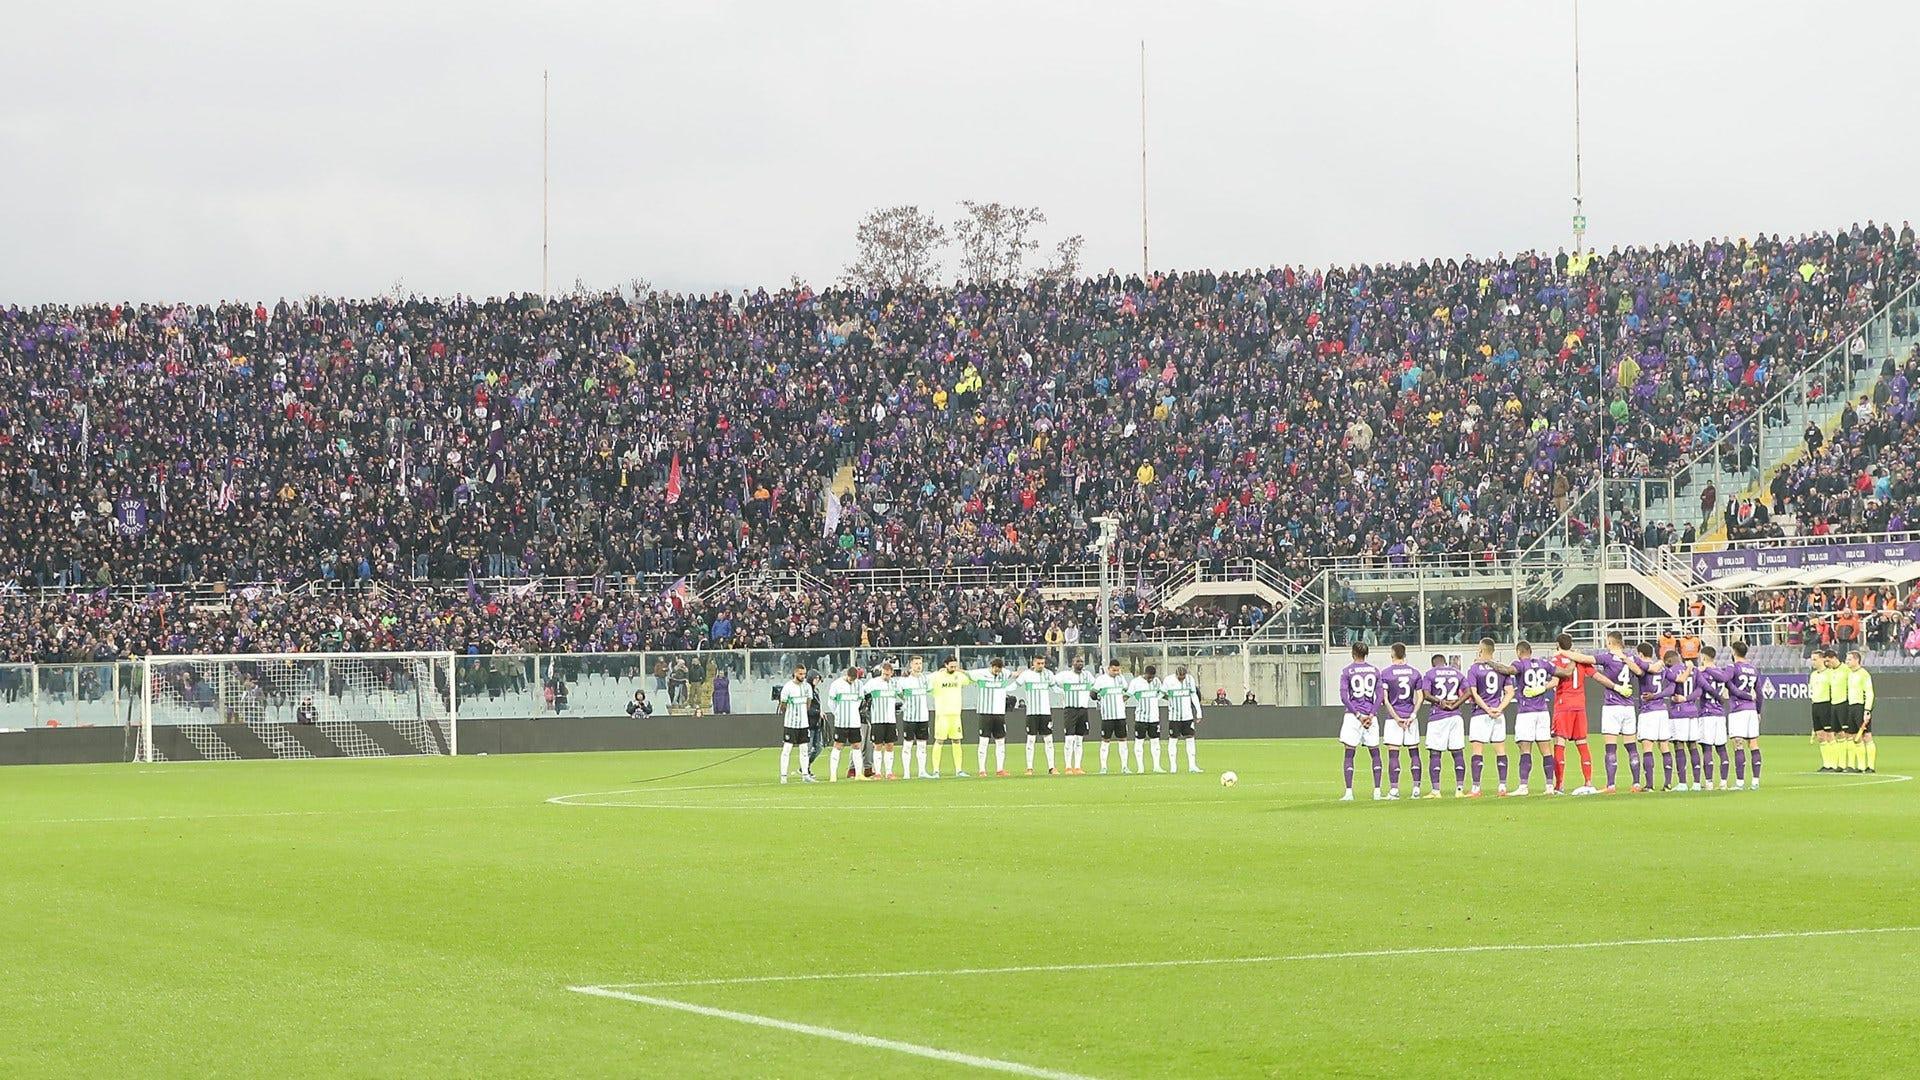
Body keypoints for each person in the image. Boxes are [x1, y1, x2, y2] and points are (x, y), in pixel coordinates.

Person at [1550, 634, 1607, 795]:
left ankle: (1559, 785)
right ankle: (1588, 781)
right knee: (1582, 744)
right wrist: (1615, 687)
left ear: (1557, 644)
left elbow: (1555, 680)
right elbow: (1597, 677)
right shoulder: (1580, 661)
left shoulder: (1556, 660)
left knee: (1559, 744)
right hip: (1580, 706)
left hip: (1563, 705)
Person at [1594, 631, 1643, 793]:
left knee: (1610, 747)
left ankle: (1611, 785)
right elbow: (1641, 671)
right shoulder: (1631, 658)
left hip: (1612, 705)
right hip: (1628, 707)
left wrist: (1566, 652)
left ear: (1610, 642)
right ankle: (1636, 783)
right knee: (1631, 747)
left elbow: (1586, 660)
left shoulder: (1607, 657)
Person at [1509, 641, 1559, 796]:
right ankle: (1550, 786)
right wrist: (1543, 688)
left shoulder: (1519, 664)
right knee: (1546, 750)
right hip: (1543, 711)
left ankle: (1523, 786)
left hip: (1526, 712)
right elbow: (1559, 675)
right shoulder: (1544, 663)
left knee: (1525, 749)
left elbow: (1509, 670)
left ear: (1519, 652)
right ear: (1531, 651)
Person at [1465, 638, 1514, 797]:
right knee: (1500, 750)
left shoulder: (1474, 668)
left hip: (1481, 714)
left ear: (1481, 649)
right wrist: (1499, 708)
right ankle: (1502, 787)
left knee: (1477, 750)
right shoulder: (1501, 668)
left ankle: (1476, 788)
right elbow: (1510, 692)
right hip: (1498, 714)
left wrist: (1486, 708)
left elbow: (1473, 692)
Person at [1377, 643, 1425, 799]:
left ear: (1392, 654)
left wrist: (1397, 718)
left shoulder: (1386, 673)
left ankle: (1394, 791)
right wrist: (1413, 715)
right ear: (1405, 655)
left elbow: (1384, 699)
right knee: (1414, 752)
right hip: (1410, 717)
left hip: (1394, 719)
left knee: (1393, 755)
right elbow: (1420, 697)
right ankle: (1416, 790)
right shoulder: (1415, 673)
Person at [1337, 643, 1383, 802]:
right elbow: (1380, 696)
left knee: (1349, 752)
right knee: (1375, 752)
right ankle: (1377, 791)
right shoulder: (1375, 671)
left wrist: (1358, 715)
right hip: (1371, 716)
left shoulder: (1347, 671)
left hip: (1353, 716)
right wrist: (1371, 714)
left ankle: (1349, 792)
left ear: (1353, 653)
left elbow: (1344, 697)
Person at [1421, 653, 1469, 798]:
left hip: (1438, 716)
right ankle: (1459, 790)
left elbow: (1426, 694)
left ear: (1433, 664)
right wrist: (1455, 705)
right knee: (1458, 752)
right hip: (1455, 716)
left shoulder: (1430, 674)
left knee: (1435, 753)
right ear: (1444, 662)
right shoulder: (1457, 673)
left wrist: (1439, 702)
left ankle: (1436, 791)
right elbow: (1468, 692)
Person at [1663, 650, 1704, 791]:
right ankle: (1697, 783)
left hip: (1679, 712)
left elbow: (1675, 685)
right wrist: (1688, 699)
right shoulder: (1695, 670)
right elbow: (1699, 691)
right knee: (1693, 745)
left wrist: (1681, 698)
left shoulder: (1671, 671)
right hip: (1693, 711)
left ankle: (1682, 783)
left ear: (1668, 661)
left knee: (1678, 745)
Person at [970, 657, 1018, 778]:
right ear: (991, 666)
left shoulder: (1004, 673)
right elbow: (966, 674)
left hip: (999, 713)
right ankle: (982, 769)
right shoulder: (981, 674)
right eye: (996, 669)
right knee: (984, 741)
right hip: (985, 712)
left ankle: (1000, 769)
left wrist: (1027, 672)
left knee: (1001, 741)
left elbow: (1015, 674)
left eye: (999, 669)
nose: (997, 671)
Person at [1725, 639, 1763, 789]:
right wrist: (1758, 710)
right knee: (1753, 744)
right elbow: (1759, 693)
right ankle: (1755, 782)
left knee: (1738, 744)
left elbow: (1728, 684)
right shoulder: (1753, 669)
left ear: (1733, 652)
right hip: (1751, 710)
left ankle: (1740, 782)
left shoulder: (1733, 667)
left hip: (1738, 709)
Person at [928, 656, 974, 778]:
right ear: (945, 665)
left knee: (957, 740)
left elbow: (970, 679)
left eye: (955, 666)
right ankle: (936, 771)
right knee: (939, 741)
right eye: (951, 666)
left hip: (955, 714)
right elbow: (926, 681)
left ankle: (959, 770)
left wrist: (961, 671)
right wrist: (938, 672)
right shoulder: (937, 676)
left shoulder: (958, 676)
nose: (953, 668)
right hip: (942, 714)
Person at [1015, 655, 1059, 776]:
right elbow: (1016, 685)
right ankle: (1029, 768)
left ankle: (1052, 767)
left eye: (1043, 663)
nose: (1041, 666)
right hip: (1032, 712)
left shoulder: (1048, 674)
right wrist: (1003, 689)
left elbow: (1055, 688)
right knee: (1031, 740)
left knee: (1049, 740)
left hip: (1045, 712)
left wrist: (1066, 692)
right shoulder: (1026, 674)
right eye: (1039, 663)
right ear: (1033, 663)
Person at [1632, 643, 1667, 794]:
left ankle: (1650, 785)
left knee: (1647, 747)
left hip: (1648, 710)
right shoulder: (1662, 668)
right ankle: (1668, 784)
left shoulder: (1642, 665)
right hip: (1662, 710)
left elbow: (1643, 670)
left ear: (1640, 654)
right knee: (1664, 747)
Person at [1696, 646, 1733, 790]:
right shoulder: (1721, 672)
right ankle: (1723, 782)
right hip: (1719, 714)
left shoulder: (1702, 674)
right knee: (1722, 748)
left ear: (1703, 657)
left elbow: (1700, 691)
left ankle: (1709, 783)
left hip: (1707, 713)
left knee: (1707, 749)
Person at [1053, 656, 1095, 775]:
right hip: (1070, 709)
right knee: (1069, 738)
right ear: (1072, 663)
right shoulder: (1065, 675)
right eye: (1077, 661)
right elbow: (1052, 682)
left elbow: (1095, 686)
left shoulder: (1087, 676)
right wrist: (1061, 692)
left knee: (1079, 739)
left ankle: (1077, 766)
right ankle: (1068, 766)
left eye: (1081, 661)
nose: (1080, 663)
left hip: (1083, 709)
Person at [862, 660, 902, 781]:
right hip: (877, 719)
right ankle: (878, 772)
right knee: (877, 745)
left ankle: (889, 772)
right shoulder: (873, 683)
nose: (886, 676)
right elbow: (862, 693)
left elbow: (902, 696)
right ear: (881, 672)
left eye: (888, 674)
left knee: (890, 745)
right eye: (884, 674)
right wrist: (865, 705)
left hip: (890, 719)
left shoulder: (894, 684)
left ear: (892, 673)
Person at [826, 666, 867, 782]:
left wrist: (853, 710)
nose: (852, 681)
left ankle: (859, 773)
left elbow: (859, 700)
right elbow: (831, 702)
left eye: (854, 679)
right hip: (841, 721)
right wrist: (837, 713)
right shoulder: (836, 685)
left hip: (854, 721)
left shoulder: (859, 685)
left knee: (857, 745)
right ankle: (833, 775)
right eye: (851, 678)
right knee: (838, 746)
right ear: (847, 675)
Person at [777, 665, 816, 784]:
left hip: (803, 724)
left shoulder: (807, 687)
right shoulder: (788, 687)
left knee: (804, 749)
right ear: (795, 673)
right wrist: (790, 714)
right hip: (790, 723)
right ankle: (783, 776)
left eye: (804, 674)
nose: (803, 676)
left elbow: (809, 703)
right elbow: (783, 705)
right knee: (787, 749)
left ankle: (805, 774)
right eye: (800, 674)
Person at [1092, 660, 1132, 774]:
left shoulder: (1121, 679)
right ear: (1108, 668)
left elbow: (1126, 690)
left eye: (1117, 670)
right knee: (1105, 741)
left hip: (1120, 715)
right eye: (1113, 670)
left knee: (1123, 740)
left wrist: (1124, 699)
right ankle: (1103, 767)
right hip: (1107, 716)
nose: (1116, 672)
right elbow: (1093, 694)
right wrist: (1099, 698)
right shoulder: (1101, 680)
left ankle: (1124, 766)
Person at [895, 656, 932, 779]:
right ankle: (907, 773)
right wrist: (906, 701)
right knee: (907, 745)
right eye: (916, 663)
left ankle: (922, 771)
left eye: (920, 663)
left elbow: (929, 690)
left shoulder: (925, 679)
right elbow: (898, 692)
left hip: (923, 717)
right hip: (910, 717)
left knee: (922, 745)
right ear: (911, 665)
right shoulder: (904, 680)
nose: (918, 666)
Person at [1163, 664, 1203, 773]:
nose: (1182, 679)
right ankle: (1173, 766)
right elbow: (1162, 693)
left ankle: (1192, 765)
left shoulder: (1190, 680)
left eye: (1183, 677)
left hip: (1187, 716)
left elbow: (1194, 696)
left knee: (1190, 739)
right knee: (1173, 740)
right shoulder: (1168, 680)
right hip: (1174, 716)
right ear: (1176, 675)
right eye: (1180, 677)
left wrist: (1199, 712)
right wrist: (1169, 699)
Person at [1129, 664, 1167, 774]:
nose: (1151, 679)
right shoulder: (1136, 682)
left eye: (1152, 677)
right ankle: (1140, 767)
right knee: (1139, 741)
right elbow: (1128, 694)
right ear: (1144, 673)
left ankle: (1157, 766)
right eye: (1149, 677)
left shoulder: (1156, 682)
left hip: (1154, 717)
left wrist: (1170, 699)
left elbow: (1161, 693)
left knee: (1155, 741)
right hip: (1141, 717)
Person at [1845, 650, 1876, 773]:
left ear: (1856, 660)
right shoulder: (1850, 674)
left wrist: (1867, 710)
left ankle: (1871, 766)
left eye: (1849, 659)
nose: (1847, 662)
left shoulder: (1864, 674)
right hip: (1851, 707)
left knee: (1866, 736)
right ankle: (1861, 766)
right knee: (1854, 736)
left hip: (1861, 707)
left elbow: (1869, 693)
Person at [1811, 650, 1840, 772]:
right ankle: (1826, 764)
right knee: (1820, 736)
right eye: (1812, 659)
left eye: (1815, 659)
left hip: (1826, 704)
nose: (1813, 662)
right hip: (1815, 705)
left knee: (1829, 735)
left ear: (1823, 659)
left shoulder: (1829, 673)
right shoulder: (1813, 675)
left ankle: (1834, 763)